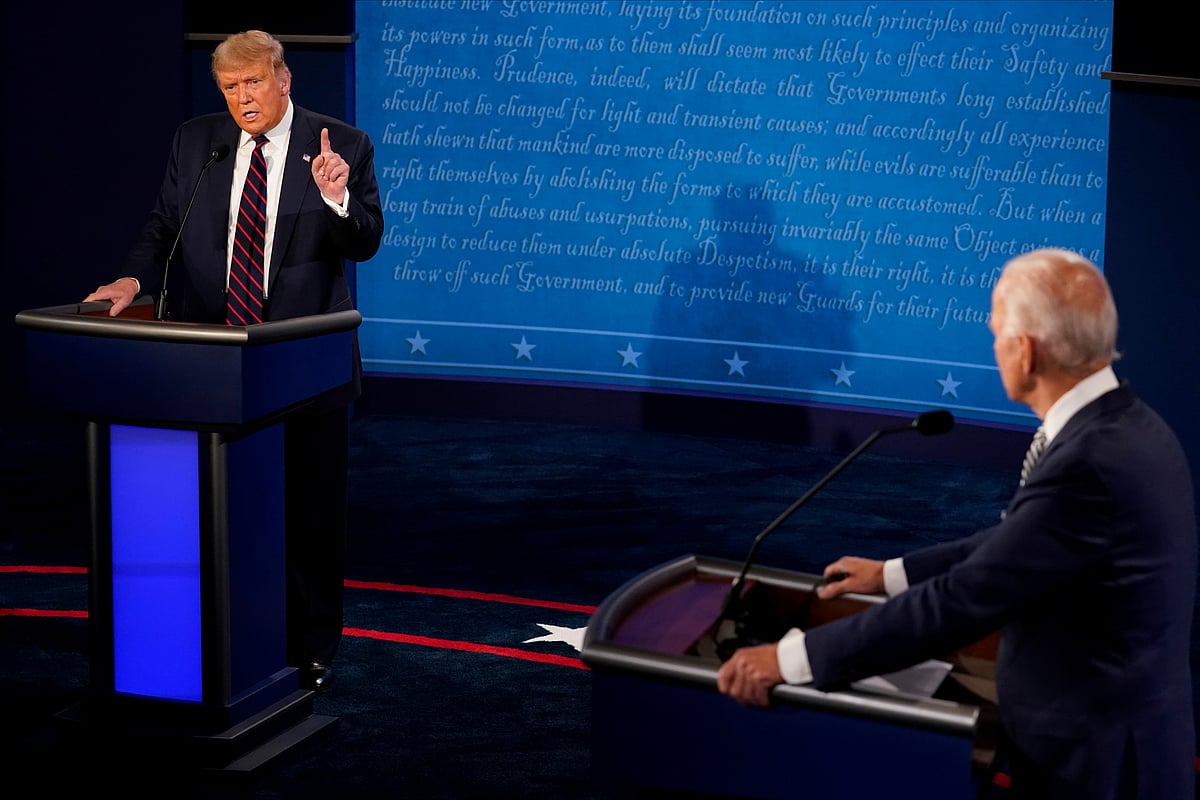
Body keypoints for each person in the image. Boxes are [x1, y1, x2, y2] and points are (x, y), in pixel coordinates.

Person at [716, 248, 1196, 798]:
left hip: (1099, 766)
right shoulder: (1132, 426)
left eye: (995, 334)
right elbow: (1020, 546)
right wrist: (891, 575)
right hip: (1115, 742)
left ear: (1025, 350)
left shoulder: (1087, 463)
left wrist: (789, 659)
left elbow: (964, 601)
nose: (993, 349)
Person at [84, 30, 385, 692]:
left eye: (253, 83)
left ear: (284, 79)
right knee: (211, 510)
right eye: (229, 87)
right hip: (208, 363)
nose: (242, 99)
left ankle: (310, 648)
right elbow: (164, 224)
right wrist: (133, 281)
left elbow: (364, 242)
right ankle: (215, 637)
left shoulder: (344, 145)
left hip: (303, 364)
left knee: (306, 514)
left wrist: (336, 196)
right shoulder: (199, 141)